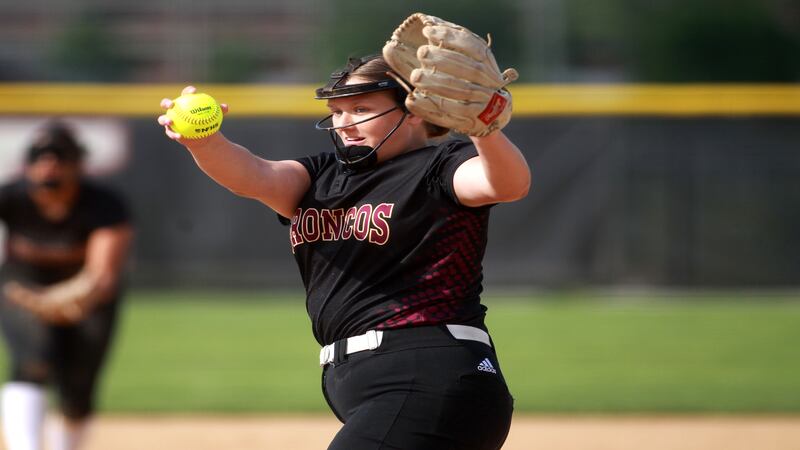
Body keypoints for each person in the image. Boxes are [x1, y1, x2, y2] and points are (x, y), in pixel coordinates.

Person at [158, 52, 529, 449]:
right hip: (374, 385)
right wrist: (204, 142)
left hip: (429, 373)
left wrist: (482, 127)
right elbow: (254, 175)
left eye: (361, 108)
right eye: (337, 111)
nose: (344, 122)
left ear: (415, 111)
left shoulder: (441, 166)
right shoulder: (321, 176)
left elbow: (506, 184)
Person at [0, 122, 133, 450]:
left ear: (78, 164)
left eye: (59, 158)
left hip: (88, 295)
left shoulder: (104, 204)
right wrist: (32, 300)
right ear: (27, 164)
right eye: (40, 158)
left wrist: (64, 300)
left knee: (78, 388)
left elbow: (102, 275)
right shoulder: (10, 198)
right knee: (32, 357)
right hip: (24, 288)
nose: (49, 166)